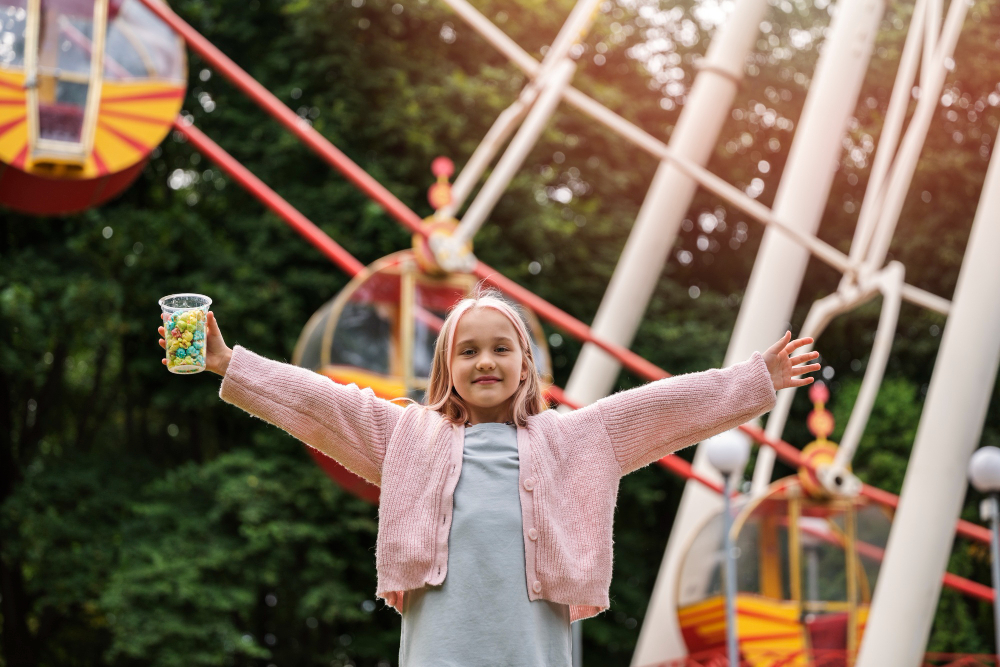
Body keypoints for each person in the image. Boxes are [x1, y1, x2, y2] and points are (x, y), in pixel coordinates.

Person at [157, 288, 819, 666]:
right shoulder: (408, 436)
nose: (485, 361)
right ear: (447, 370)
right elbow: (321, 403)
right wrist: (226, 362)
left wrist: (754, 379)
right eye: (467, 350)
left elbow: (669, 406)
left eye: (501, 348)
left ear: (526, 365)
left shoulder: (576, 437)